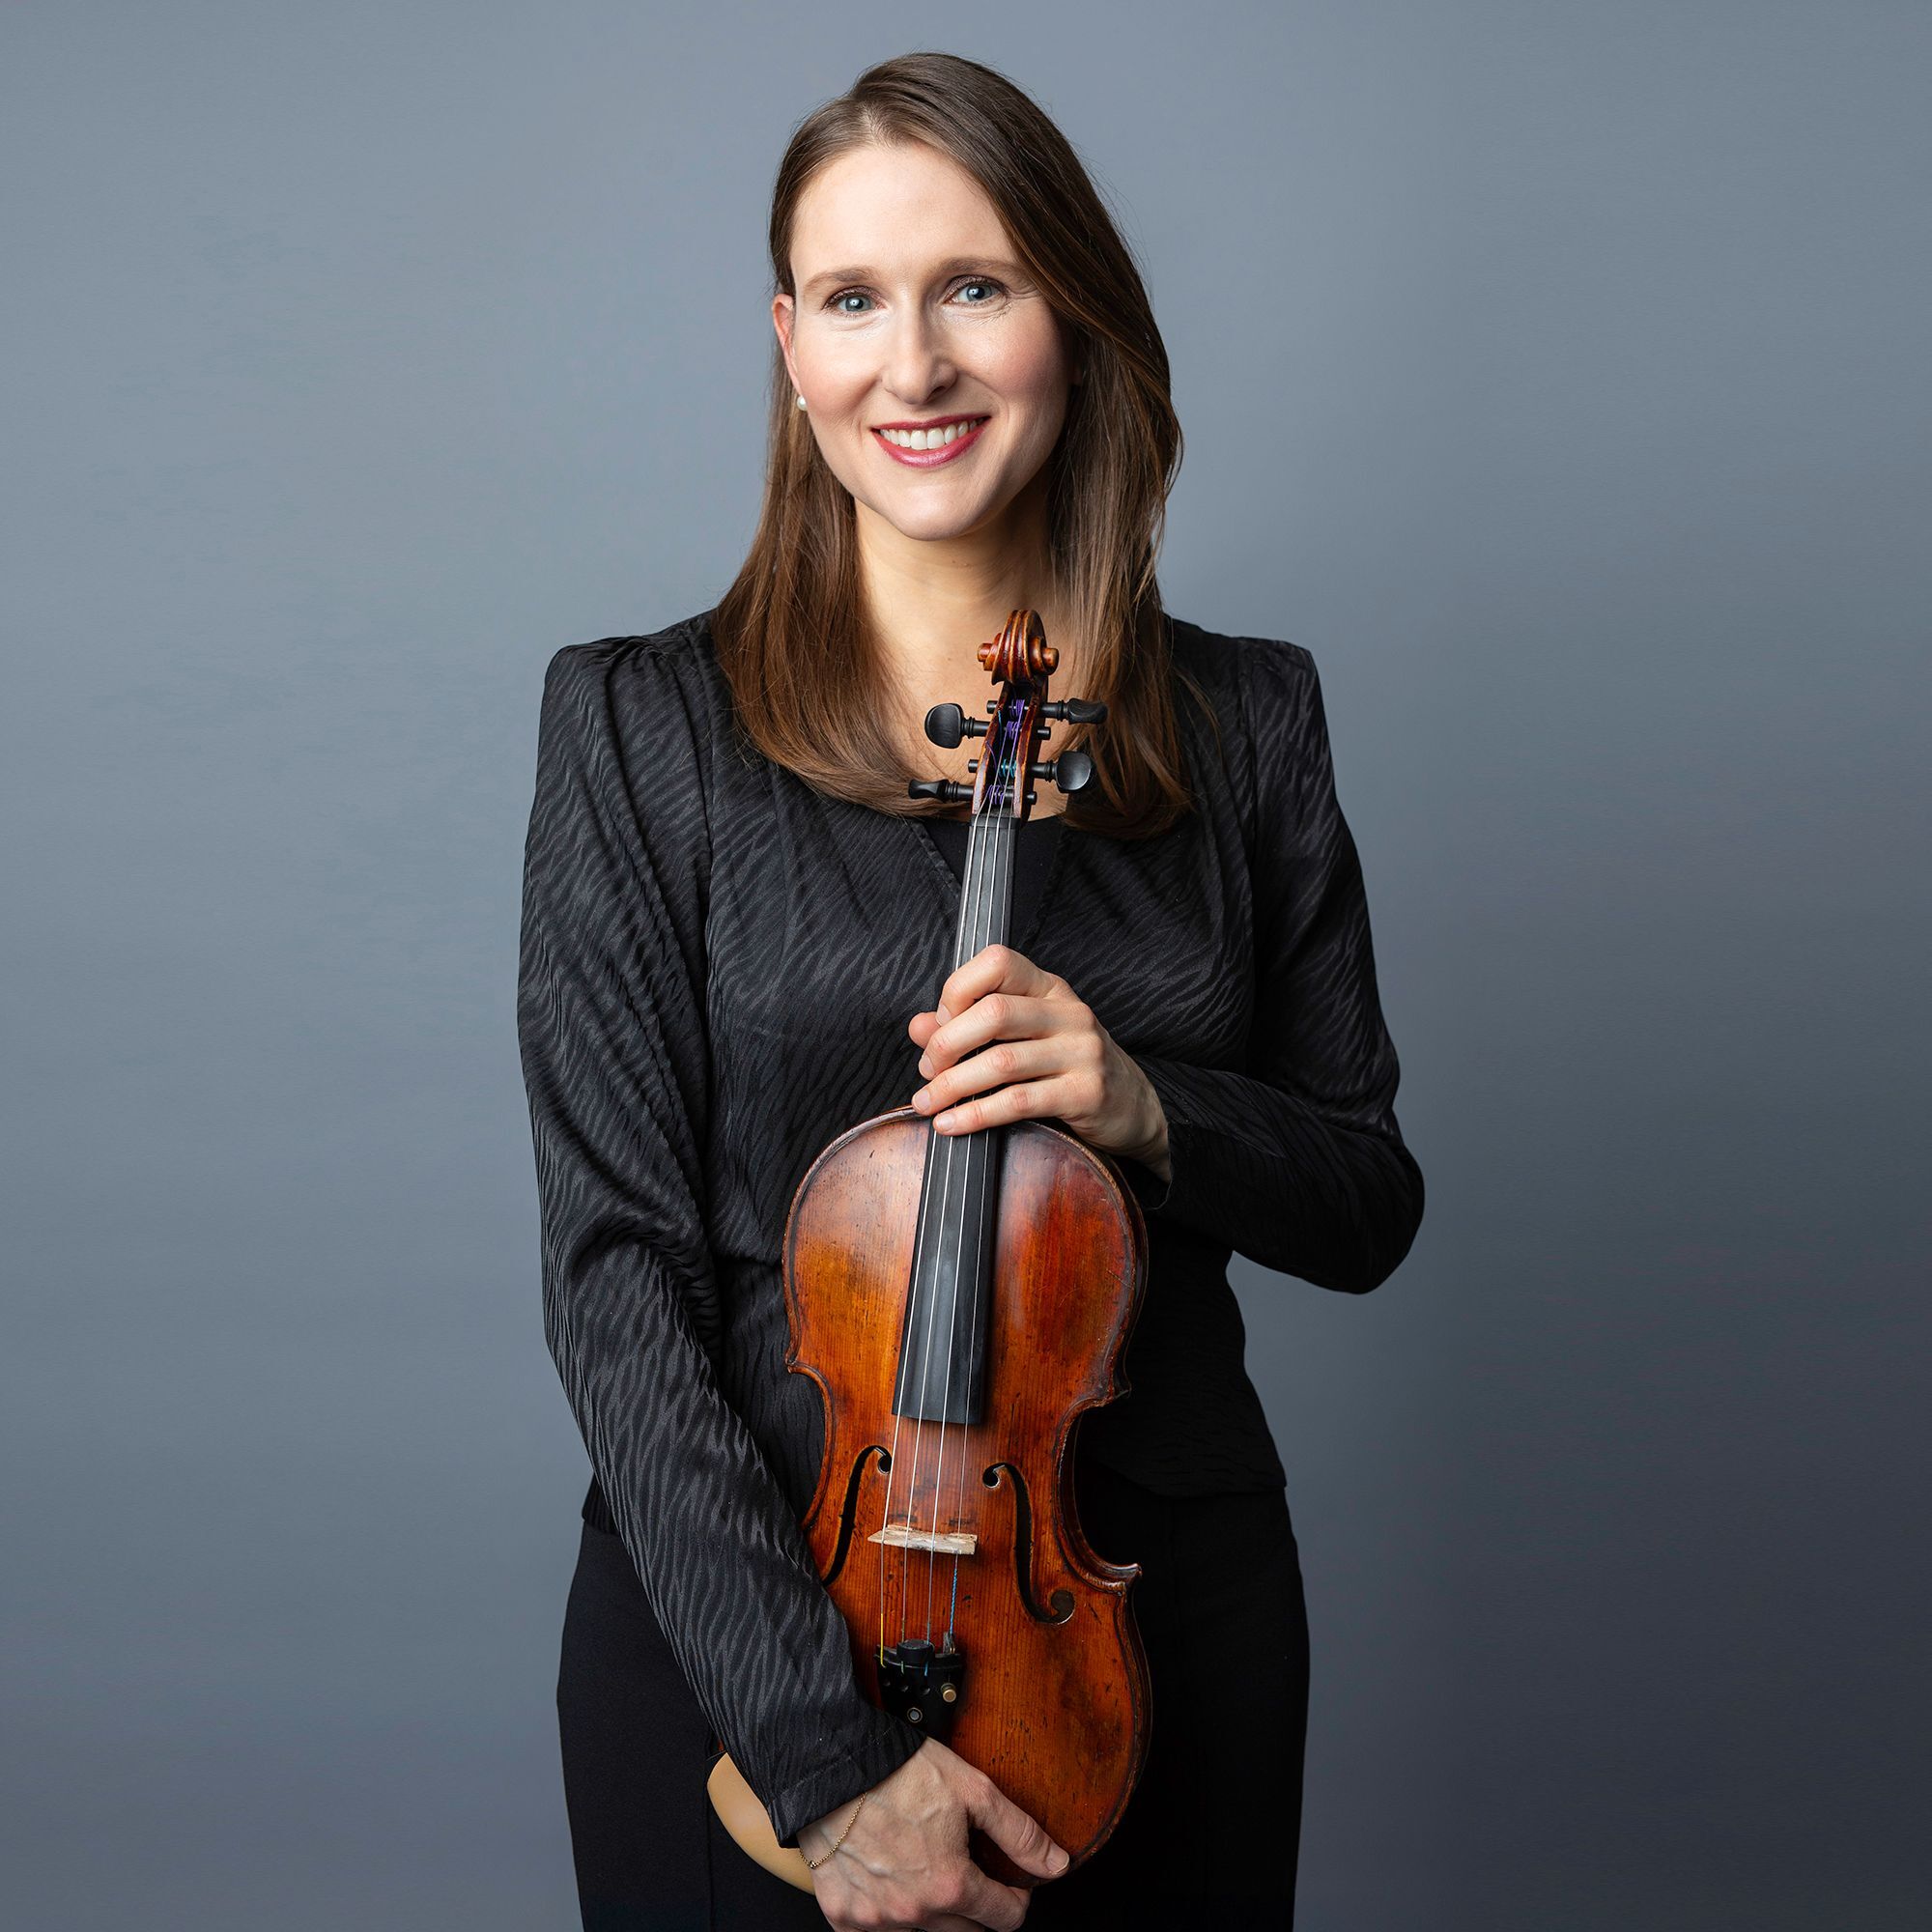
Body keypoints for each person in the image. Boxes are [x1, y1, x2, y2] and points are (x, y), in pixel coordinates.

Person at [517, 50, 1424, 1932]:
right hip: (735, 1637)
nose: (909, 365)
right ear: (789, 343)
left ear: (1073, 322)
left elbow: (1363, 1196)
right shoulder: (637, 724)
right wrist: (823, 1758)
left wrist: (1146, 1104)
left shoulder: (1246, 722)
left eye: (974, 288)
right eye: (852, 298)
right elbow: (614, 1280)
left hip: (1139, 1621)